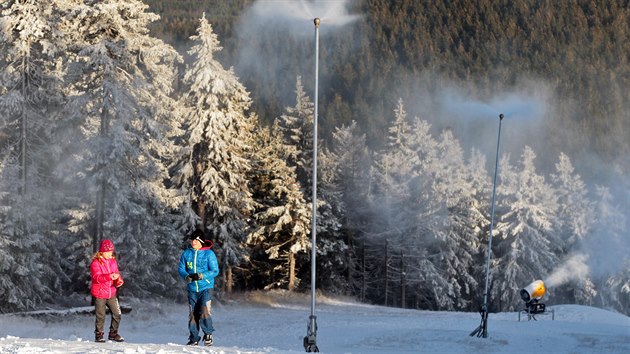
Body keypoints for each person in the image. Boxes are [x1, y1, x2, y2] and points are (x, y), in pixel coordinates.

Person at [178, 229, 219, 346]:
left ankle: (208, 334)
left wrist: (201, 275)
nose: (193, 242)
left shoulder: (209, 254)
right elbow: (181, 268)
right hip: (192, 289)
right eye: (192, 239)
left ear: (200, 240)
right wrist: (186, 276)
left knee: (204, 311)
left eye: (195, 239)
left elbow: (215, 270)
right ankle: (194, 338)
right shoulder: (186, 253)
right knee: (192, 314)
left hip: (205, 287)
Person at [90, 239, 125, 343]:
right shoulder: (95, 263)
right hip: (100, 293)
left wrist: (119, 280)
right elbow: (97, 277)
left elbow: (116, 273)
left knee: (117, 314)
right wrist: (110, 276)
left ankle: (113, 333)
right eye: (108, 252)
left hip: (111, 293)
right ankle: (99, 335)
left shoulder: (113, 261)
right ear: (102, 252)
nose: (110, 253)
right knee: (101, 315)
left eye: (111, 251)